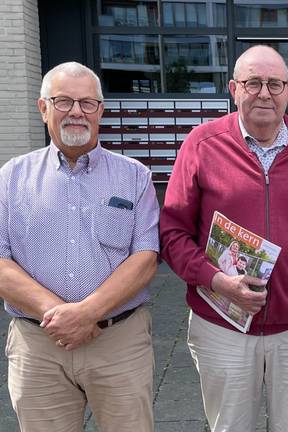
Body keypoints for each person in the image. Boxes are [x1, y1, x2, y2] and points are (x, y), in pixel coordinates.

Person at [159, 45, 288, 432]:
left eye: (275, 84)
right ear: (234, 88)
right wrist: (216, 281)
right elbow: (172, 232)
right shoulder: (201, 143)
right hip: (222, 325)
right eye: (253, 82)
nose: (264, 93)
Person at [0, 62, 159, 431]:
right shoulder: (11, 178)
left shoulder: (135, 176)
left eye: (87, 103)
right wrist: (60, 315)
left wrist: (88, 312)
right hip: (39, 346)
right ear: (43, 108)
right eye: (64, 101)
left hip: (118, 342)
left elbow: (146, 257)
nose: (76, 111)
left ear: (100, 111)